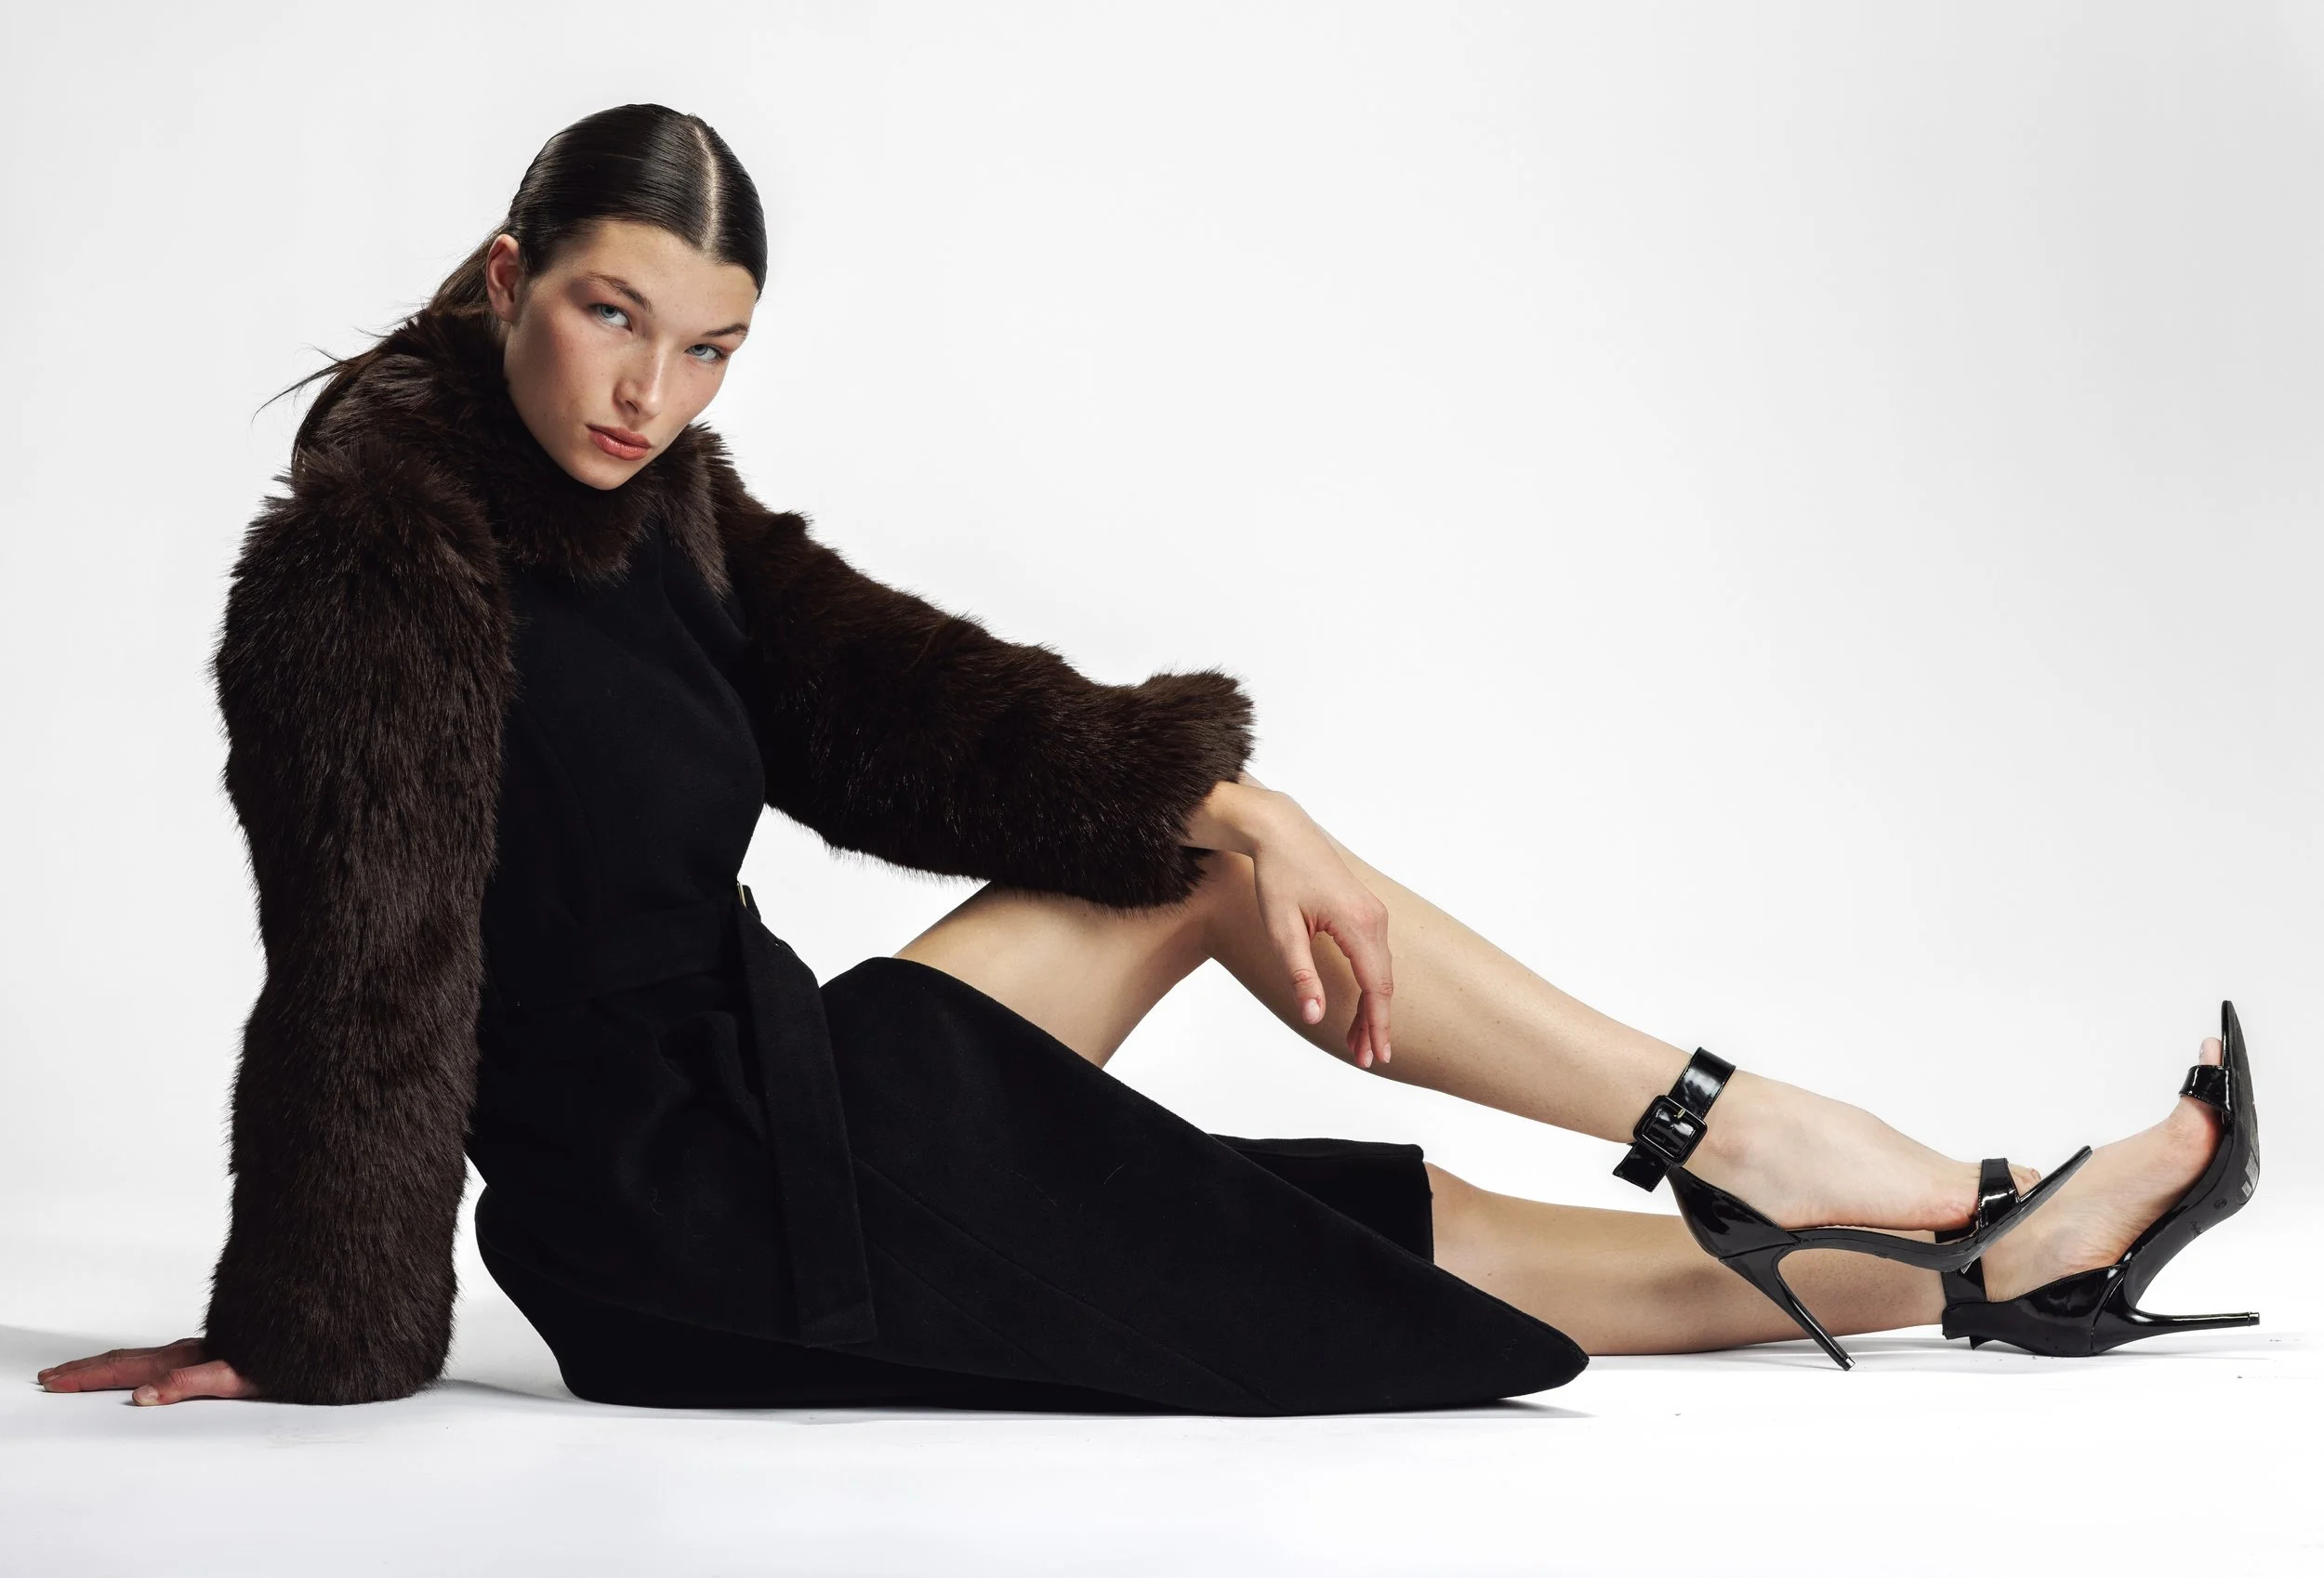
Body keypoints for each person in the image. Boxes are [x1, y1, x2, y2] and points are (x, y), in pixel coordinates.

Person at [36, 104, 2259, 1413]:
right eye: (610, 316)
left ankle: (1979, 1237)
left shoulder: (672, 514)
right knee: (1428, 1262)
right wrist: (310, 1326)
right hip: (689, 1232)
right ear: (510, 276)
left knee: (1271, 965)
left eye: (703, 349)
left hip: (786, 1086)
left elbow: (899, 709)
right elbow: (370, 964)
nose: (648, 390)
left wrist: (1237, 797)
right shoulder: (372, 574)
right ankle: (1873, 1187)